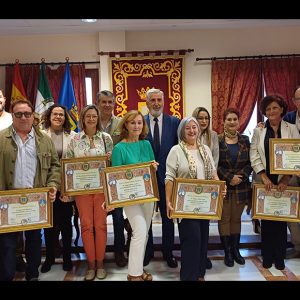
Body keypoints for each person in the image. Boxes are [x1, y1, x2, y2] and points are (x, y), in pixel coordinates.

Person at [0, 99, 60, 281]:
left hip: (36, 199)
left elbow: (55, 167)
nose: (23, 117)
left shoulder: (45, 140)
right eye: (18, 114)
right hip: (8, 201)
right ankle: (7, 276)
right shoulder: (1, 138)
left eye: (27, 113)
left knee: (34, 240)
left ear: (33, 115)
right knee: (8, 244)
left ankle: (32, 274)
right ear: (13, 116)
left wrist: (53, 185)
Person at [165, 116, 225, 281]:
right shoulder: (176, 150)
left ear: (198, 130)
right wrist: (168, 202)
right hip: (184, 204)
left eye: (194, 127)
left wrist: (220, 187)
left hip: (205, 204)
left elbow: (213, 173)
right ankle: (188, 277)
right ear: (182, 131)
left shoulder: (205, 149)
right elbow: (169, 178)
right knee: (192, 240)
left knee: (203, 239)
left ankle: (200, 274)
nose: (192, 131)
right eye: (188, 128)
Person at [250, 95, 300, 270]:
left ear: (282, 109)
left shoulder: (292, 129)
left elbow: (296, 154)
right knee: (267, 220)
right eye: (268, 108)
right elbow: (254, 154)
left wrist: (287, 178)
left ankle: (279, 257)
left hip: (285, 180)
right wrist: (263, 176)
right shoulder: (259, 131)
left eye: (275, 108)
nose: (271, 111)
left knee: (281, 218)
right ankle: (267, 255)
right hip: (265, 180)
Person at [65, 104, 113, 281]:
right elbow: (68, 165)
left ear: (98, 118)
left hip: (101, 189)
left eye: (94, 116)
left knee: (100, 225)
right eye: (88, 116)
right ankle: (91, 264)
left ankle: (100, 263)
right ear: (83, 119)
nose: (91, 119)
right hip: (82, 190)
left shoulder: (106, 138)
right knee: (86, 225)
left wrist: (109, 159)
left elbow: (112, 164)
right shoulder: (75, 139)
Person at [111, 110, 158, 281]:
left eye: (139, 122)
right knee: (139, 230)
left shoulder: (146, 145)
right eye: (133, 122)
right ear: (125, 125)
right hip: (130, 198)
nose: (137, 125)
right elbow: (115, 178)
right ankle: (134, 275)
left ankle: (138, 269)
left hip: (148, 195)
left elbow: (151, 170)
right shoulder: (119, 149)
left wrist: (154, 167)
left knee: (144, 233)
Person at [144, 88, 180, 268]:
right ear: (147, 102)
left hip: (168, 177)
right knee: (146, 217)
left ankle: (168, 252)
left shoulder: (174, 122)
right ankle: (148, 250)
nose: (156, 103)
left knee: (168, 217)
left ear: (164, 102)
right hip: (146, 178)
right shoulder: (139, 122)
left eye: (159, 99)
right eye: (153, 100)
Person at [40, 104, 76, 273]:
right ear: (49, 115)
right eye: (55, 114)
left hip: (66, 188)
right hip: (46, 187)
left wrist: (69, 190)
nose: (58, 117)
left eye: (61, 114)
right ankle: (49, 257)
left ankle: (67, 257)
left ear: (65, 117)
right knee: (49, 225)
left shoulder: (73, 136)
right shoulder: (39, 135)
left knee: (66, 225)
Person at [96, 90, 128, 267]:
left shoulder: (120, 123)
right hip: (95, 178)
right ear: (98, 103)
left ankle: (119, 251)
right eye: (104, 102)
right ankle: (97, 253)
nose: (108, 105)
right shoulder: (91, 120)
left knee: (117, 217)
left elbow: (126, 144)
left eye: (110, 102)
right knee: (97, 218)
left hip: (116, 178)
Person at [217, 108, 252, 267]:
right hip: (224, 185)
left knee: (236, 219)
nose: (232, 122)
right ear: (223, 121)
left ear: (239, 121)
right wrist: (229, 178)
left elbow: (251, 162)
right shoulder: (217, 140)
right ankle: (228, 253)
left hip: (241, 186)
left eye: (235, 119)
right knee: (225, 219)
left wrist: (241, 177)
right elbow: (214, 164)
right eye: (229, 119)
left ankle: (236, 250)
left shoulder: (245, 140)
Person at [192, 106, 219, 269]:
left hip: (208, 184)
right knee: (193, 226)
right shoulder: (189, 132)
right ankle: (194, 255)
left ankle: (203, 256)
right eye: (200, 118)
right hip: (191, 186)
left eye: (206, 118)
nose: (203, 121)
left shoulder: (213, 135)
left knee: (205, 225)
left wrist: (209, 177)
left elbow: (214, 158)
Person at [283, 86, 300, 259]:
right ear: (294, 102)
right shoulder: (289, 118)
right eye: (299, 99)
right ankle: (297, 245)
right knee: (291, 211)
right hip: (291, 173)